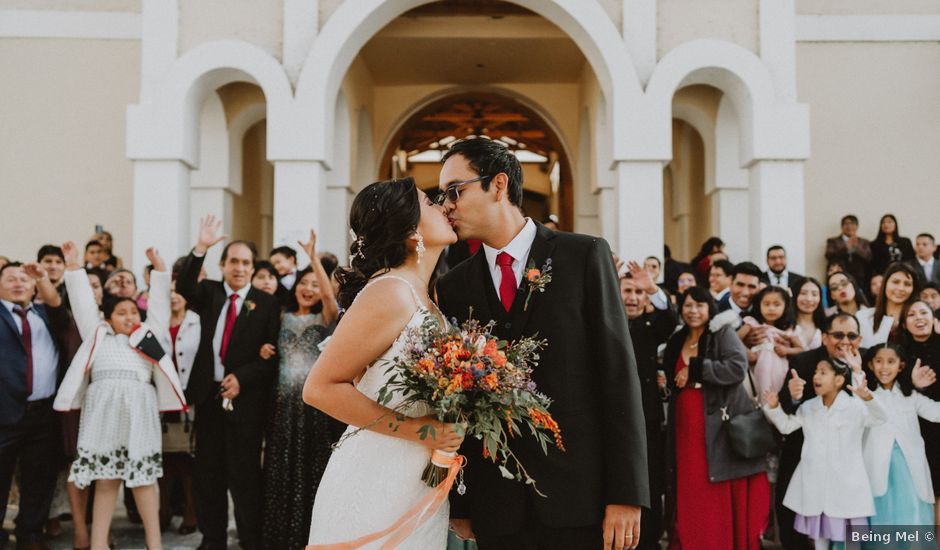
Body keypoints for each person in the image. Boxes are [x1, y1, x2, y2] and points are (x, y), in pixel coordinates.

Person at [435, 138, 648, 549]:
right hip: (497, 504)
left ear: (498, 186)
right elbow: (456, 396)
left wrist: (626, 494)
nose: (446, 205)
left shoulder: (583, 256)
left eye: (454, 191)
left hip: (580, 498)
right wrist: (463, 499)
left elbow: (619, 378)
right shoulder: (453, 285)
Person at [303, 178, 463, 548]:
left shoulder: (426, 295)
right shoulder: (390, 291)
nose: (444, 207)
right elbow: (320, 388)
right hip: (376, 476)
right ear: (410, 230)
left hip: (416, 480)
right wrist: (417, 430)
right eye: (431, 202)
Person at [54, 243, 185, 550]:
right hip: (103, 416)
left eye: (132, 312)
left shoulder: (147, 335)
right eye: (121, 312)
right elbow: (83, 303)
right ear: (108, 317)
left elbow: (158, 307)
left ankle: (155, 544)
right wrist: (73, 267)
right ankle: (98, 543)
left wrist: (159, 269)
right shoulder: (98, 334)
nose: (128, 317)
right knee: (106, 480)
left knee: (143, 481)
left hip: (139, 412)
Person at [176, 218, 281, 550]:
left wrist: (243, 378)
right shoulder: (208, 294)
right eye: (233, 261)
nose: (239, 268)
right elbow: (183, 288)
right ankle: (212, 539)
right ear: (223, 266)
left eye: (245, 262)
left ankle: (250, 540)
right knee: (208, 476)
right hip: (208, 397)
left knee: (245, 477)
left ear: (253, 268)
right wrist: (201, 248)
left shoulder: (266, 303)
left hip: (246, 403)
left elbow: (271, 354)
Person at [662, 286, 769, 550]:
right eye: (688, 305)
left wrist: (696, 369)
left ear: (710, 308)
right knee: (688, 488)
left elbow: (736, 367)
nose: (693, 311)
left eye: (699, 305)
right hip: (684, 426)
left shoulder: (721, 333)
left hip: (714, 428)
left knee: (711, 488)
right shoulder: (678, 339)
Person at [260, 230, 340, 550]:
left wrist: (312, 259)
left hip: (313, 407)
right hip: (282, 407)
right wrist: (266, 349)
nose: (308, 289)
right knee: (281, 470)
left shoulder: (327, 316)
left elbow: (330, 298)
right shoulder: (281, 316)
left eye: (313, 285)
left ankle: (311, 537)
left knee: (312, 470)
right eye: (303, 283)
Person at [762, 358, 883, 550]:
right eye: (816, 372)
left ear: (839, 380)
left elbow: (879, 418)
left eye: (823, 372)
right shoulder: (809, 407)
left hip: (847, 482)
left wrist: (868, 398)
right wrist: (774, 407)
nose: (816, 376)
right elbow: (786, 427)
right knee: (819, 536)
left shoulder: (854, 407)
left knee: (851, 538)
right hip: (815, 482)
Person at [0, 261, 69, 550]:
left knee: (39, 477)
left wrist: (41, 277)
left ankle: (31, 532)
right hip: (4, 412)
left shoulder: (45, 314)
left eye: (24, 279)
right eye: (11, 278)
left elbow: (56, 304)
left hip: (42, 412)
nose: (18, 283)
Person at [621, 263, 678, 550]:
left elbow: (670, 319)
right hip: (614, 421)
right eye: (627, 290)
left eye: (639, 292)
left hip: (648, 420)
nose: (632, 297)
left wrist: (653, 288)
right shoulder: (606, 323)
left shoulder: (652, 327)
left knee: (651, 484)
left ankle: (649, 541)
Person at [862, 343, 938, 526]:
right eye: (879, 361)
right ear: (871, 365)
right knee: (881, 514)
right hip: (876, 462)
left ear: (901, 365)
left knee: (911, 510)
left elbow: (935, 413)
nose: (885, 367)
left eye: (891, 361)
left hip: (909, 464)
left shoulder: (910, 395)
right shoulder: (865, 395)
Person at [158, 271, 202, 535]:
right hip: (163, 399)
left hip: (190, 399)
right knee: (164, 460)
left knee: (188, 461)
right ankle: (162, 510)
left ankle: (190, 511)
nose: (173, 296)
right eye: (168, 292)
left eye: (178, 291)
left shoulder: (197, 320)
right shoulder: (156, 321)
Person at [899, 299, 940, 526]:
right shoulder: (901, 355)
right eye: (912, 315)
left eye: (923, 312)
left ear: (934, 318)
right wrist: (914, 384)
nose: (919, 318)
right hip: (918, 430)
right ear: (904, 324)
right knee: (929, 488)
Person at [740, 286, 796, 401]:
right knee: (759, 392)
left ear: (785, 306)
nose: (771, 308)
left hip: (780, 368)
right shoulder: (753, 323)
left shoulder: (788, 329)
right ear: (759, 305)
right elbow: (734, 338)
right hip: (758, 365)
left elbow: (801, 349)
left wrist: (787, 350)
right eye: (766, 304)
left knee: (777, 393)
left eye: (777, 304)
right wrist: (748, 352)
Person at [858, 262, 919, 347]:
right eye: (895, 282)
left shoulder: (919, 320)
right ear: (885, 284)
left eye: (907, 284)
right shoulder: (863, 317)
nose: (901, 288)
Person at [825, 214, 873, 287]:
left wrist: (856, 247)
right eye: (846, 223)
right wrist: (846, 247)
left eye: (852, 223)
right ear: (842, 226)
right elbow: (829, 255)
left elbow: (868, 257)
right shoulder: (832, 241)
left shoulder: (864, 242)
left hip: (860, 277)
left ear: (856, 226)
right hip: (839, 274)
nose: (849, 226)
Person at [788, 278, 826, 352]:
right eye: (803, 293)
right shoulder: (785, 324)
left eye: (814, 294)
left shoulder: (825, 325)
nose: (809, 299)